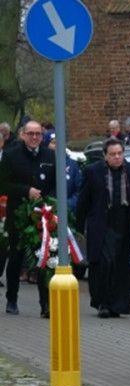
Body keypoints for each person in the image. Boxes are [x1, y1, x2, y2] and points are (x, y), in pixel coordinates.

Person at [77, 138, 130, 318]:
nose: (117, 157)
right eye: (113, 154)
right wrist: (78, 227)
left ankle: (118, 305)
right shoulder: (93, 172)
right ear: (104, 156)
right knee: (104, 262)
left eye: (120, 154)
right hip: (102, 224)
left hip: (125, 222)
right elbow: (83, 201)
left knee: (122, 265)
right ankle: (103, 303)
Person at [1, 120, 56, 316]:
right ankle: (12, 300)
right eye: (30, 134)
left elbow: (57, 184)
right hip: (18, 214)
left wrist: (50, 203)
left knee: (43, 259)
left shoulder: (50, 155)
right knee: (15, 258)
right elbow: (3, 185)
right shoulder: (10, 155)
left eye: (38, 134)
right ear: (23, 134)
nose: (34, 138)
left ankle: (45, 304)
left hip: (43, 215)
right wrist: (26, 191)